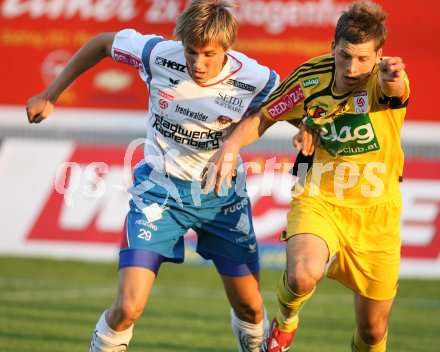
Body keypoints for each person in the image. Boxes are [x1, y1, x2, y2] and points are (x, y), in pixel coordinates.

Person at [26, 1, 280, 351]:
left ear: (227, 48)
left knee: (250, 307)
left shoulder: (257, 78)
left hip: (222, 199)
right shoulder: (157, 54)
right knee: (127, 307)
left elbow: (290, 104)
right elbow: (102, 42)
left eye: (209, 54)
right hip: (158, 194)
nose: (198, 63)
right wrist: (50, 94)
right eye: (192, 52)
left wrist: (307, 128)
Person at [201, 1, 409, 351]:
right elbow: (265, 116)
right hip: (321, 198)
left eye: (363, 59)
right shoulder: (309, 78)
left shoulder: (382, 78)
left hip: (378, 213)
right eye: (345, 56)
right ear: (332, 47)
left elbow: (395, 92)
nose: (352, 67)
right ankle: (285, 321)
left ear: (378, 57)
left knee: (373, 332)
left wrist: (393, 80)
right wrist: (232, 147)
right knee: (301, 275)